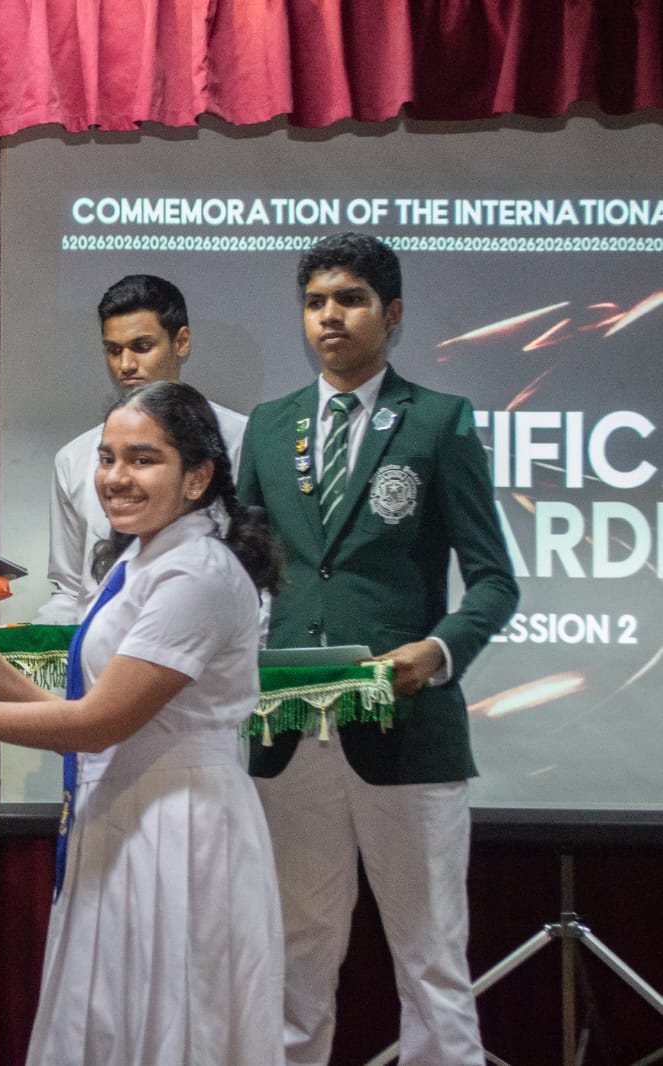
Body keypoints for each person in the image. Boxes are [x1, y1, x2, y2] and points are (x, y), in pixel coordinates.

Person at [0, 380, 285, 1066]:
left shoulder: (198, 573)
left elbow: (94, 725)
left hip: (179, 831)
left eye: (143, 459)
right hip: (126, 813)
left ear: (197, 477)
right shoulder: (144, 556)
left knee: (172, 1028)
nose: (116, 477)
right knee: (114, 1023)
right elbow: (97, 715)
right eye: (107, 457)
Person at [236, 232, 519, 1066]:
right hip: (289, 729)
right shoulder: (268, 427)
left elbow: (494, 581)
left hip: (407, 728)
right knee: (294, 953)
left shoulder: (437, 420)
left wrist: (437, 650)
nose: (330, 316)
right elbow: (241, 571)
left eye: (350, 299)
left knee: (430, 960)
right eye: (315, 301)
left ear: (390, 314)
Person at [33, 274, 248, 624]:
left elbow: (256, 568)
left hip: (203, 633)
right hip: (100, 641)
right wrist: (21, 641)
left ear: (181, 342)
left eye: (142, 346)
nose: (126, 366)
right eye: (114, 350)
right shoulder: (73, 458)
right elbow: (70, 591)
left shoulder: (240, 439)